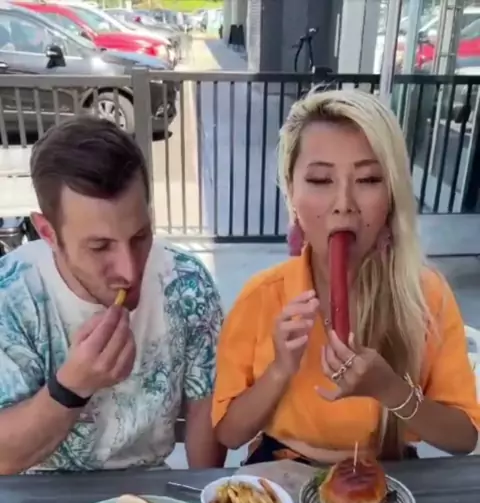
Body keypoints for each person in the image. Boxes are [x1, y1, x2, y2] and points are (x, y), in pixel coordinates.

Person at [212, 89, 480, 463]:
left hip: (389, 472)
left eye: (368, 179)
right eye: (321, 180)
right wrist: (280, 370)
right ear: (292, 193)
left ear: (392, 196)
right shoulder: (262, 296)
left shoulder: (427, 296)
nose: (344, 204)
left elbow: (464, 437)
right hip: (281, 474)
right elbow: (229, 433)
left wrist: (391, 390)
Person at [0, 117, 224, 474]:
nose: (130, 272)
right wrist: (72, 386)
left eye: (140, 237)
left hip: (149, 484)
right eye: (100, 247)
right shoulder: (11, 294)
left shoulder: (187, 284)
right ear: (48, 233)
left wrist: (204, 496)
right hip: (37, 488)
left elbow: (205, 414)